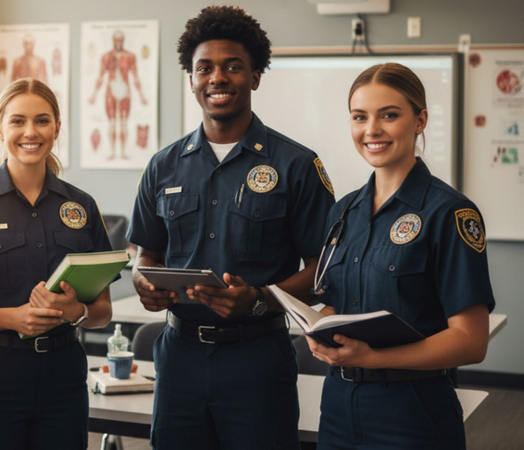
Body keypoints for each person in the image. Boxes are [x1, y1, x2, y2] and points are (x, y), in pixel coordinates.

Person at [127, 6, 335, 449]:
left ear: (255, 77)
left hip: (258, 359)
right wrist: (143, 280)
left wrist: (259, 300)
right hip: (178, 357)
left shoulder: (297, 165)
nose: (217, 78)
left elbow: (323, 271)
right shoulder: (163, 166)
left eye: (233, 66)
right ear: (191, 81)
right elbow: (144, 252)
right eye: (205, 68)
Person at [307, 63, 495, 450]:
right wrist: (320, 326)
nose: (371, 130)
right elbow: (336, 302)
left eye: (389, 115)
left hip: (412, 412)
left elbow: (471, 342)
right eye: (360, 117)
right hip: (339, 407)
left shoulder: (449, 213)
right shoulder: (343, 211)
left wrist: (373, 358)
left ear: (420, 120)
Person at [0, 78, 115, 449]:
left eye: (42, 121)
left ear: (57, 128)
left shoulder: (82, 207)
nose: (30, 132)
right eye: (17, 121)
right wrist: (12, 318)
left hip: (63, 375)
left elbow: (102, 312)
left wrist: (76, 310)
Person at [88, 29, 148, 160]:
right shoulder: (106, 57)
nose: (118, 43)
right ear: (113, 41)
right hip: (111, 90)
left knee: (124, 122)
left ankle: (123, 152)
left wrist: (142, 95)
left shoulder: (130, 56)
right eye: (117, 41)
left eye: (120, 41)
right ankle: (113, 153)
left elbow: (135, 77)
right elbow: (101, 76)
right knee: (112, 123)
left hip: (125, 89)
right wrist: (94, 94)